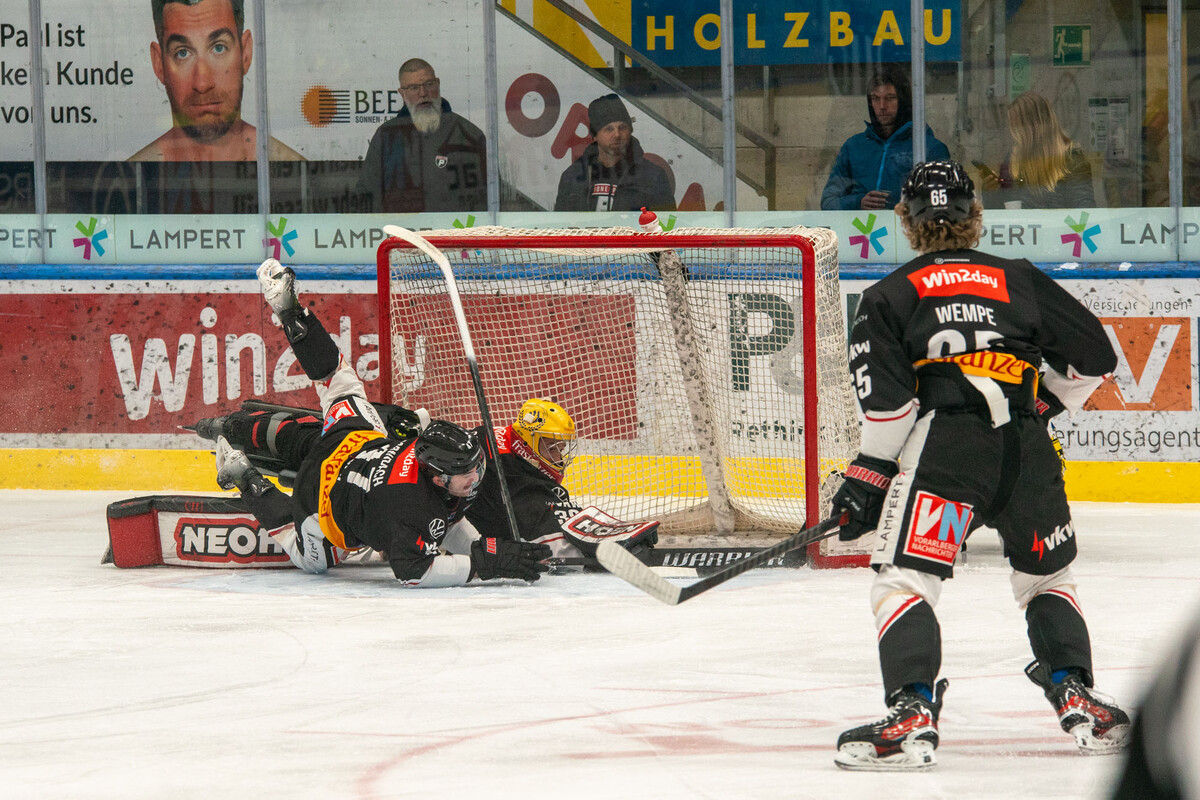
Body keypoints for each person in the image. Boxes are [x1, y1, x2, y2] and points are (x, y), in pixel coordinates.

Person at [830, 160, 1129, 771]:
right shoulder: (1017, 278)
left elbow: (889, 409)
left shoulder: (889, 295)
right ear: (976, 218)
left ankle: (912, 710)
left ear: (905, 224)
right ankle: (1079, 693)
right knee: (1046, 580)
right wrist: (1040, 404)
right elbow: (1097, 358)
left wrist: (866, 477)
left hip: (948, 455)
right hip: (1025, 452)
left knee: (904, 581)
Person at [195, 258, 551, 587]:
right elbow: (414, 572)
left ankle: (290, 312)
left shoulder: (435, 470)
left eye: (475, 466)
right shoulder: (409, 510)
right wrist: (484, 565)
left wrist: (486, 550)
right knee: (311, 561)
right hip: (320, 495)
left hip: (353, 440)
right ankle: (246, 478)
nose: (476, 477)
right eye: (467, 473)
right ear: (439, 476)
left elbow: (449, 520)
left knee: (338, 377)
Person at [130, 0, 302, 162]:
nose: (202, 84)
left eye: (218, 48)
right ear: (159, 63)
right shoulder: (134, 177)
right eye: (183, 53)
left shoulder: (293, 169)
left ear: (246, 54)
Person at [354, 58, 487, 213]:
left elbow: (487, 199)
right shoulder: (386, 136)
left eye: (429, 84)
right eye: (413, 87)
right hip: (402, 234)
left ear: (437, 84)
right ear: (402, 93)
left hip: (454, 233)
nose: (423, 93)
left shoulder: (467, 133)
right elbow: (367, 195)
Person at [820, 66, 951, 211]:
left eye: (890, 98)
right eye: (875, 98)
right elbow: (828, 201)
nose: (882, 106)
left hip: (907, 231)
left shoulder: (929, 148)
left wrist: (905, 204)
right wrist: (858, 202)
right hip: (860, 230)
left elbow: (944, 202)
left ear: (903, 101)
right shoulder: (853, 147)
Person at [553, 93, 675, 212]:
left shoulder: (653, 175)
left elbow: (670, 225)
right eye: (609, 129)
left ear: (630, 131)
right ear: (594, 136)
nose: (617, 134)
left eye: (622, 127)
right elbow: (560, 226)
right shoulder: (573, 176)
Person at [981, 92, 1095, 209]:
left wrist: (1058, 223)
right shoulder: (1013, 158)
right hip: (1024, 227)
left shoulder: (1071, 159)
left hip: (1059, 226)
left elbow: (1085, 212)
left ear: (1034, 129)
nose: (1013, 136)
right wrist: (990, 193)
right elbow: (1002, 215)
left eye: (1017, 129)